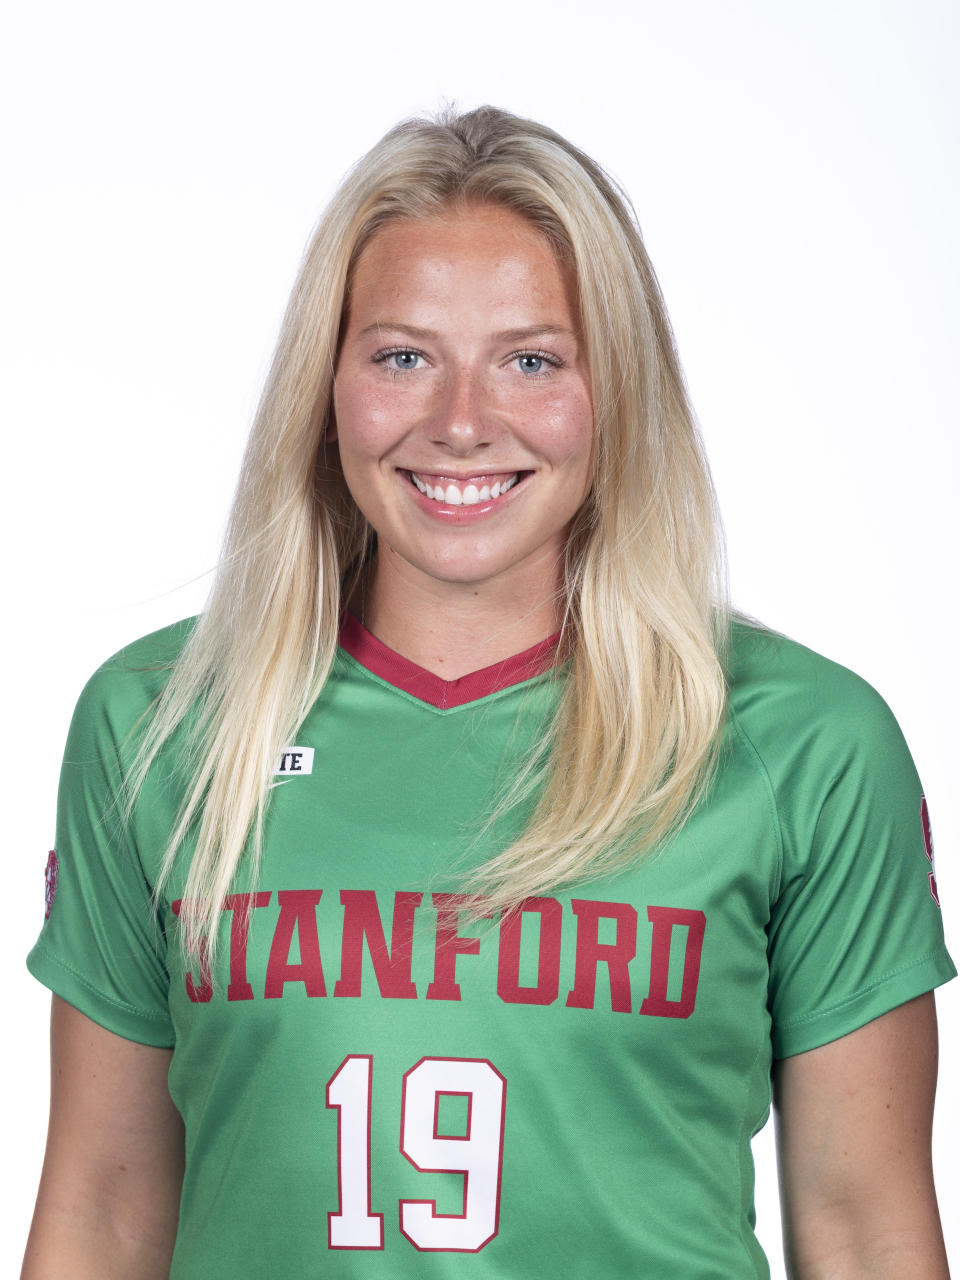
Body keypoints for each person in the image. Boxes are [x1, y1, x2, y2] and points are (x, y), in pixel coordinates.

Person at [22, 106, 954, 1279]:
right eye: (402, 355)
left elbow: (867, 1231)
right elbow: (102, 1211)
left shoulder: (802, 743)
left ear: (617, 389)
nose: (461, 423)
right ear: (327, 386)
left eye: (532, 359)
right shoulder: (160, 724)